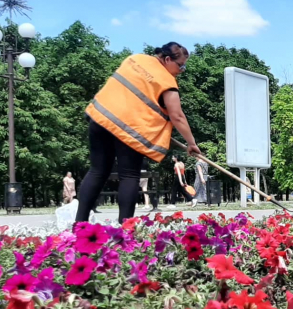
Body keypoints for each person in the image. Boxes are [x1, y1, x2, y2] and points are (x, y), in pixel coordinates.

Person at [75, 42, 200, 224]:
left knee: (97, 171)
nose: (182, 70)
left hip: (100, 119)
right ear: (167, 59)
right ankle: (125, 229)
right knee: (129, 176)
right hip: (129, 131)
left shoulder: (134, 59)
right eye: (181, 65)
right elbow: (177, 115)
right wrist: (191, 143)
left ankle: (78, 226)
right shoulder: (167, 81)